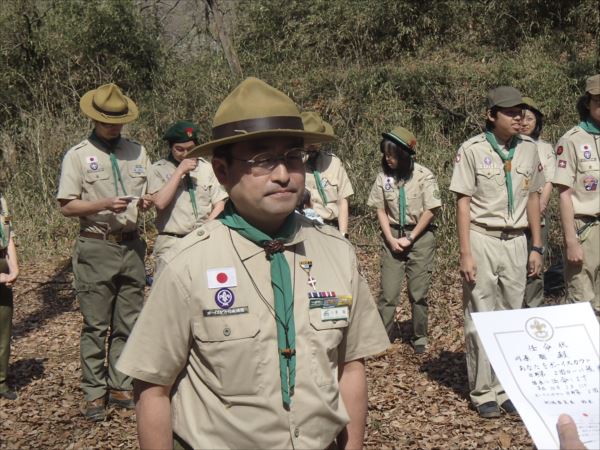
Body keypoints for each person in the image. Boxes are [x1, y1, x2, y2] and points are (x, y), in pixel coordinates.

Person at [117, 77, 390, 449]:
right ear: (222, 172)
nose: (282, 174)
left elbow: (351, 366)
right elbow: (152, 387)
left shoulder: (336, 253)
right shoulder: (187, 265)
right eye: (262, 160)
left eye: (293, 157)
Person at [57, 83, 151, 421]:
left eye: (118, 121)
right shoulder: (78, 155)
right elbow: (67, 206)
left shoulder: (138, 152)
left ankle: (120, 384)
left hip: (132, 245)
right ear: (94, 119)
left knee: (129, 322)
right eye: (107, 121)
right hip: (96, 246)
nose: (114, 126)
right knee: (96, 325)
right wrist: (103, 203)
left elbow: (150, 192)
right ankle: (94, 392)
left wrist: (149, 201)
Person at [450, 86, 544, 418]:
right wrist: (466, 253)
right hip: (482, 238)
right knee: (480, 317)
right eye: (510, 112)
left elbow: (532, 197)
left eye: (521, 111)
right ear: (491, 116)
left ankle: (505, 388)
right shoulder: (472, 150)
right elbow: (463, 203)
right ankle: (482, 390)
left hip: (517, 241)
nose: (519, 117)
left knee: (510, 317)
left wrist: (536, 245)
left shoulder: (530, 150)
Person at [367, 126, 441, 353]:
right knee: (388, 293)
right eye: (385, 155)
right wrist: (390, 238)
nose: (388, 160)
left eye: (393, 155)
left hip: (419, 238)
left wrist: (410, 237)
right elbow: (380, 208)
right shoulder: (383, 178)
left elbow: (431, 210)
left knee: (418, 293)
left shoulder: (423, 175)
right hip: (392, 237)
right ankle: (382, 338)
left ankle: (419, 337)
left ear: (404, 156)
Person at [148, 120, 227, 276]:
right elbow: (160, 203)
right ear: (171, 147)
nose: (185, 154)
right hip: (171, 242)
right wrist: (179, 172)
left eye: (191, 149)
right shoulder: (158, 169)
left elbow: (220, 203)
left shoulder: (207, 168)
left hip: (204, 239)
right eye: (179, 149)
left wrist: (206, 228)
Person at [553, 74, 600, 314]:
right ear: (587, 103)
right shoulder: (572, 140)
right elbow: (564, 194)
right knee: (583, 303)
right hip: (586, 228)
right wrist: (571, 241)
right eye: (598, 101)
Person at [520, 96, 556, 307]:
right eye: (521, 118)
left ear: (537, 123)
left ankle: (533, 305)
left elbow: (550, 179)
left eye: (530, 119)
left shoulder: (544, 148)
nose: (524, 123)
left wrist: (542, 204)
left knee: (536, 258)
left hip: (537, 210)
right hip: (514, 213)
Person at [302, 111, 354, 237]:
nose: (313, 145)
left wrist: (343, 234)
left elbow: (343, 201)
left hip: (332, 228)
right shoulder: (292, 166)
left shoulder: (334, 163)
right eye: (309, 141)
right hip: (305, 227)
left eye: (317, 141)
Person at [0, 193, 19, 400]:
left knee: (3, 330)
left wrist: (14, 268)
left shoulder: (2, 199)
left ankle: (1, 381)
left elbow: (9, 236)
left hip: (3, 267)